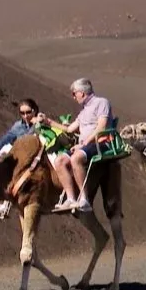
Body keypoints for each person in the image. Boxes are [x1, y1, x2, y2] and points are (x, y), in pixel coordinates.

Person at [38, 78, 114, 213]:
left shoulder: (101, 103)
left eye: (74, 93)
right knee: (59, 160)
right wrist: (48, 122)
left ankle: (84, 199)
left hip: (100, 143)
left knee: (76, 158)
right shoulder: (83, 112)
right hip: (84, 146)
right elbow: (69, 129)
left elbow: (101, 128)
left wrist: (83, 144)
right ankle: (71, 199)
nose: (73, 97)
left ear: (82, 93)